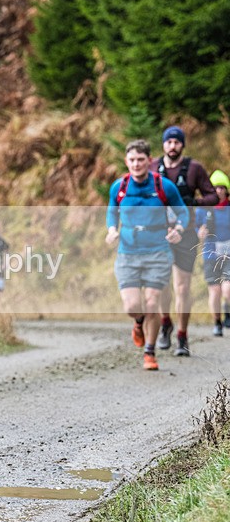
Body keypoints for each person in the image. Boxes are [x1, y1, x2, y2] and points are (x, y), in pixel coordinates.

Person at [106, 139, 188, 371]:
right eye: (132, 160)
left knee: (152, 303)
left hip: (158, 253)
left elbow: (183, 213)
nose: (136, 164)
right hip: (128, 253)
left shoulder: (164, 186)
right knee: (132, 306)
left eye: (141, 160)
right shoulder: (119, 187)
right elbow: (112, 212)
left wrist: (178, 230)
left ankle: (149, 353)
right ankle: (138, 322)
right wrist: (112, 230)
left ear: (149, 161)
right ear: (126, 161)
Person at [151, 126, 217, 355]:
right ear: (163, 145)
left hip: (186, 233)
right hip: (158, 232)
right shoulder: (152, 168)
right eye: (168, 142)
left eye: (177, 142)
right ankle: (166, 322)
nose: (172, 146)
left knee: (183, 287)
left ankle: (182, 336)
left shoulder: (194, 168)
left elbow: (214, 196)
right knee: (160, 285)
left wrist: (194, 203)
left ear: (183, 145)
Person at [195, 170, 230, 336]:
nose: (218, 191)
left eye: (222, 187)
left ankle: (227, 312)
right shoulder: (203, 209)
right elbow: (195, 228)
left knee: (227, 289)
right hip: (210, 254)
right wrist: (199, 232)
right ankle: (217, 322)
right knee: (215, 291)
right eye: (215, 188)